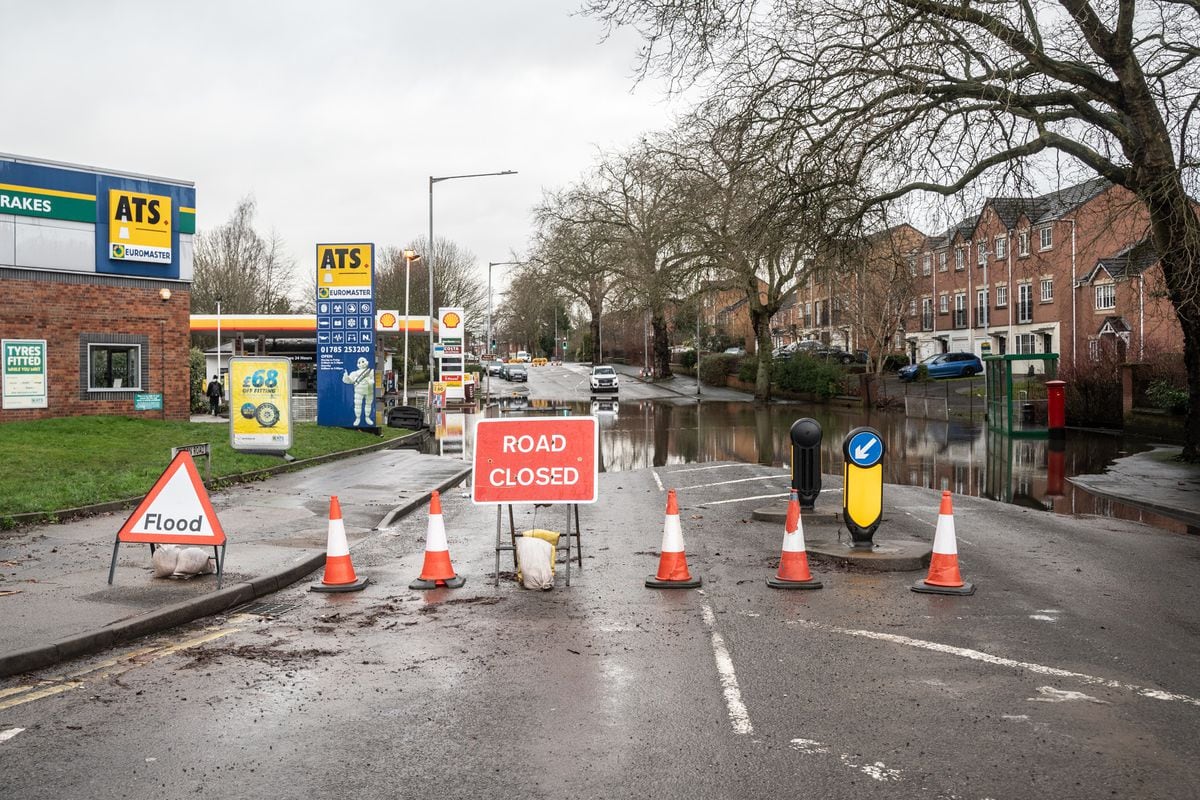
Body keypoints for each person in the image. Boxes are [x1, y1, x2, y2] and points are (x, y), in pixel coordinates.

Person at [342, 357, 375, 426]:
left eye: (363, 361)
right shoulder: (355, 373)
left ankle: (367, 417)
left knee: (368, 405)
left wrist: (370, 381)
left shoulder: (370, 371)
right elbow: (350, 381)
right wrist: (346, 377)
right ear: (358, 364)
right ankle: (357, 418)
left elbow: (373, 380)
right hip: (358, 391)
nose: (361, 363)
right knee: (357, 405)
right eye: (360, 362)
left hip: (369, 390)